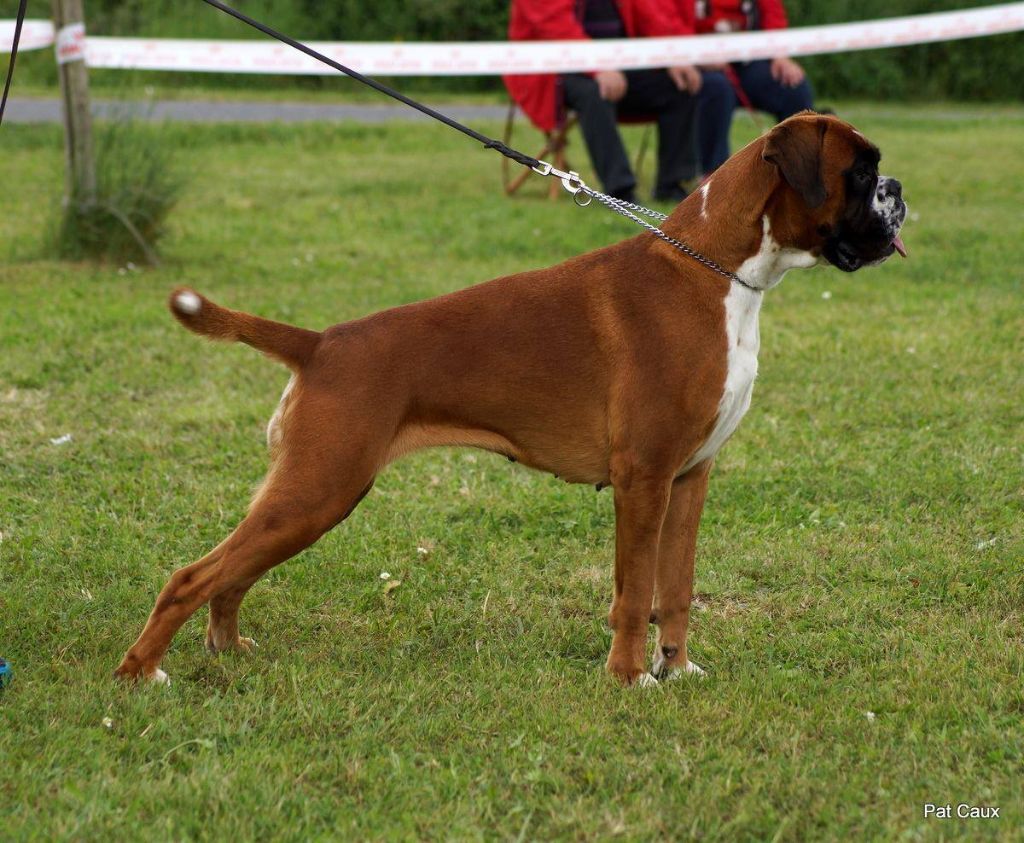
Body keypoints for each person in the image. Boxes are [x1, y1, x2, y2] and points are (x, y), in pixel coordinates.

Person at [504, 0, 706, 204]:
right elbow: (555, 25)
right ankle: (620, 191)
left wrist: (671, 56)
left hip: (617, 64)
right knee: (594, 94)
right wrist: (598, 67)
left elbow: (648, 14)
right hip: (554, 69)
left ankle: (672, 184)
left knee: (678, 88)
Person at [685, 0, 815, 173]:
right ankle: (714, 176)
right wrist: (696, 56)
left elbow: (772, 13)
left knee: (793, 86)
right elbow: (671, 20)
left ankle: (801, 169)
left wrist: (780, 56)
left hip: (749, 60)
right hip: (697, 64)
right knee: (718, 89)